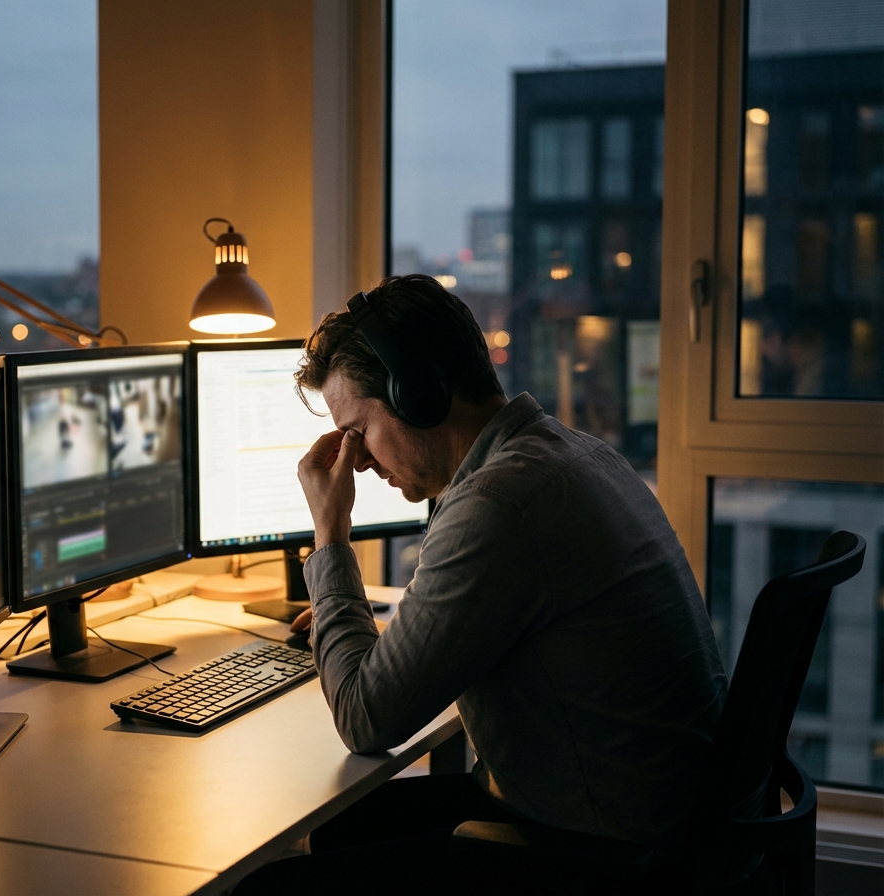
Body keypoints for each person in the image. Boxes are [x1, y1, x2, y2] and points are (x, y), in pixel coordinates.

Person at [233, 275, 727, 895]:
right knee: (340, 828)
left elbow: (366, 720)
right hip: (651, 820)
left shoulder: (499, 502)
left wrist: (330, 532)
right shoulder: (571, 454)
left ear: (419, 395)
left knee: (266, 886)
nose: (354, 460)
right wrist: (398, 640)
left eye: (357, 430)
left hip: (597, 851)